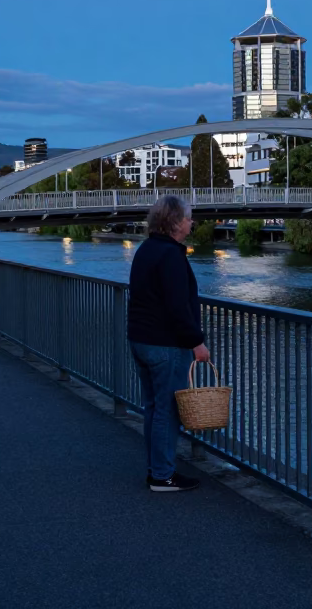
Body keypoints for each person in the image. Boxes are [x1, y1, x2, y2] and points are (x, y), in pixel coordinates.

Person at [127, 194, 209, 492]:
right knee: (168, 410)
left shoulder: (147, 249)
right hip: (166, 344)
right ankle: (162, 475)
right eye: (188, 218)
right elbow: (178, 307)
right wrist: (197, 342)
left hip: (141, 340)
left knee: (154, 407)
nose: (191, 222)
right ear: (175, 222)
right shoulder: (172, 255)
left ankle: (156, 469)